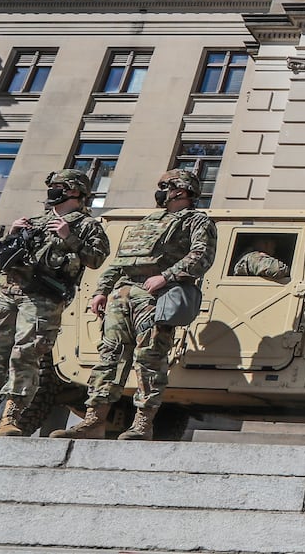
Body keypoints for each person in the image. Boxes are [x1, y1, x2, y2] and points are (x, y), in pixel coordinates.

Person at [0, 170, 110, 435]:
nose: (52, 190)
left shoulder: (87, 225)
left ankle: (10, 419)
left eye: (58, 186)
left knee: (25, 355)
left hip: (42, 300)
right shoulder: (37, 221)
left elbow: (96, 259)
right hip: (8, 293)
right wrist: (13, 233)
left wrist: (68, 237)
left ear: (74, 191)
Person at [53, 168, 214, 442]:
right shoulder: (150, 220)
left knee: (149, 360)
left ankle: (142, 424)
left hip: (156, 298)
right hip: (123, 294)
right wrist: (101, 291)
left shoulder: (196, 221)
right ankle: (94, 420)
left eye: (164, 186)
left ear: (180, 190)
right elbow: (122, 259)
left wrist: (165, 277)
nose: (160, 191)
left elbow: (202, 256)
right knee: (109, 358)